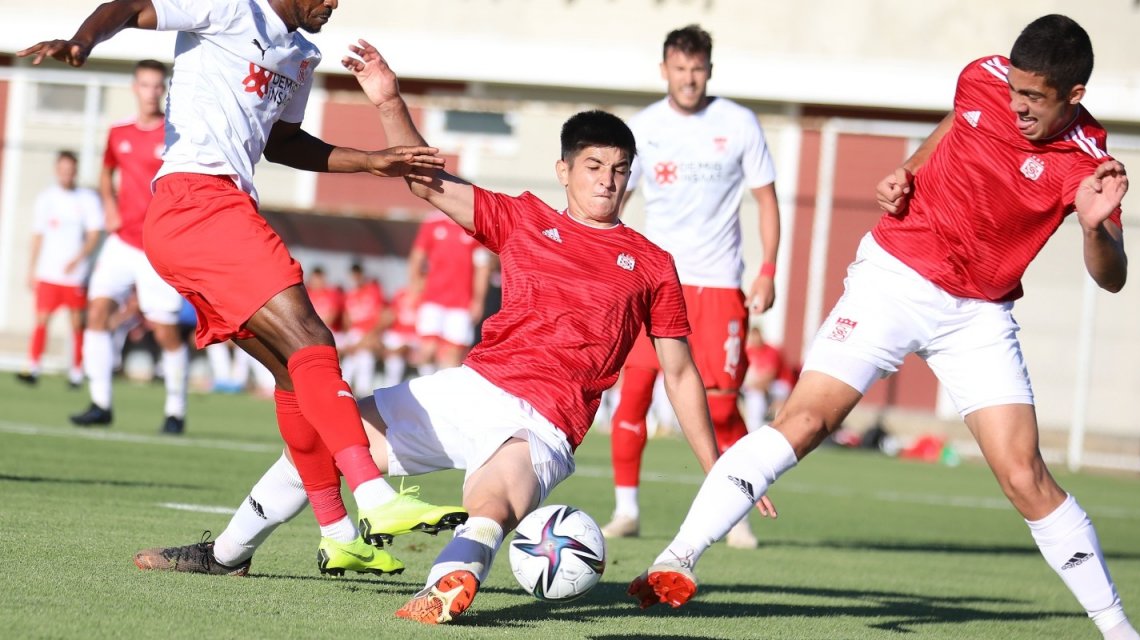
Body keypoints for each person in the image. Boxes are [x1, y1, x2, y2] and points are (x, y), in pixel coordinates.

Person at [133, 41, 762, 627]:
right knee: (328, 438)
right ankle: (229, 551)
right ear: (564, 170)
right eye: (594, 166)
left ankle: (447, 582)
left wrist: (717, 468)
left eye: (620, 170)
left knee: (492, 499)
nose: (607, 180)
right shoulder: (523, 219)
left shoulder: (652, 262)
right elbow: (423, 179)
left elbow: (679, 373)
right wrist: (387, 100)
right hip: (474, 386)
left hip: (547, 420)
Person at [630, 15, 1140, 640]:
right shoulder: (982, 79)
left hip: (977, 313)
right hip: (894, 275)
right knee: (806, 421)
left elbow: (1111, 276)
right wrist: (909, 170)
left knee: (1023, 475)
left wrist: (1093, 228)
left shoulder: (1092, 164)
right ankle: (675, 559)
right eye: (1013, 89)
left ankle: (1118, 631)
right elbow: (958, 123)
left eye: (1033, 98)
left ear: (1075, 97)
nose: (1015, 105)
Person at [20, 0, 463, 576]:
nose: (334, 4)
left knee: (291, 371)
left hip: (210, 214)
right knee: (313, 338)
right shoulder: (229, 8)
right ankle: (376, 498)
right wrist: (84, 41)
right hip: (195, 201)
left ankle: (335, 532)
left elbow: (284, 142)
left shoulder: (302, 53)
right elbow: (129, 6)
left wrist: (371, 162)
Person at [603, 25, 781, 551]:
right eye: (679, 69)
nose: (689, 79)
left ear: (709, 70)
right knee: (633, 393)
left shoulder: (739, 123)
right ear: (665, 71)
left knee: (721, 408)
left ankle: (738, 510)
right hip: (655, 282)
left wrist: (768, 268)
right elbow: (615, 201)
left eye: (697, 69)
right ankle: (626, 510)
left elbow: (767, 201)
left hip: (719, 283)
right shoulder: (643, 127)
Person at [67, 60, 191, 434]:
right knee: (97, 311)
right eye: (145, 84)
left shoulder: (177, 135)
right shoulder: (118, 131)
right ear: (134, 88)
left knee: (165, 331)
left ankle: (175, 410)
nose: (151, 91)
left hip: (156, 248)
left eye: (158, 86)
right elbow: (106, 171)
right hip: (120, 243)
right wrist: (107, 203)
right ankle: (100, 403)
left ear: (164, 90)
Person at [17, 151, 103, 387]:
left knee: (77, 323)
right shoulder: (47, 199)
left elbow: (95, 234)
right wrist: (31, 269)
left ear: (75, 171)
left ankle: (76, 371)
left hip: (75, 276)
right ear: (57, 170)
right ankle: (32, 367)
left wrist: (79, 258)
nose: (66, 173)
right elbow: (38, 236)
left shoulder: (86, 199)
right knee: (42, 319)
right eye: (62, 169)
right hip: (49, 272)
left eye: (70, 169)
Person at [407, 211, 492, 373]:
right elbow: (417, 256)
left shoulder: (475, 226)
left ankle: (443, 394)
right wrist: (414, 286)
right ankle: (422, 393)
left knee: (452, 355)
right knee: (427, 350)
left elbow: (482, 268)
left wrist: (478, 300)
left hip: (461, 302)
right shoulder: (433, 222)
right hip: (432, 298)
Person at [339, 262, 384, 396]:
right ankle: (343, 395)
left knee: (365, 360)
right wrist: (348, 339)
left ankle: (363, 396)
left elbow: (381, 316)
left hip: (369, 334)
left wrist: (370, 337)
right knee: (348, 365)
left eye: (358, 274)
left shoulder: (373, 291)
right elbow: (347, 320)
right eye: (353, 275)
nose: (356, 278)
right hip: (354, 335)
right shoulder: (349, 294)